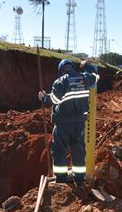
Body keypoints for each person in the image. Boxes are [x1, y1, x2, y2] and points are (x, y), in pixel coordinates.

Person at [38, 59, 99, 187]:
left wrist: (43, 97)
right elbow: (96, 76)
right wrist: (87, 66)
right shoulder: (85, 78)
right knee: (78, 151)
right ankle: (79, 180)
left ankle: (60, 180)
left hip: (63, 124)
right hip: (79, 124)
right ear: (72, 67)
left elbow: (54, 99)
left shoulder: (60, 81)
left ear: (61, 70)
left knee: (59, 151)